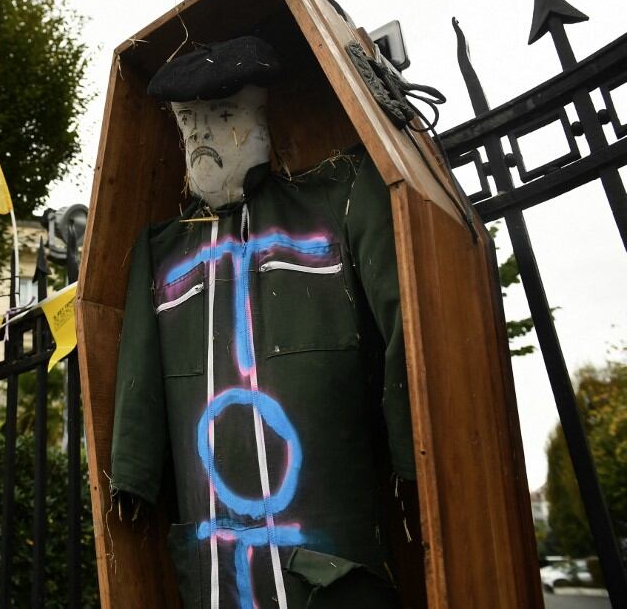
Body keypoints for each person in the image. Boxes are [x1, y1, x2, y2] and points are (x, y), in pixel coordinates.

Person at [110, 36, 414, 608]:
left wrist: (415, 454)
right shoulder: (160, 250)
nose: (199, 136)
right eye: (187, 123)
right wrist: (132, 472)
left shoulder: (338, 199)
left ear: (260, 117)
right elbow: (138, 381)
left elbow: (408, 326)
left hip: (330, 548)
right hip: (216, 558)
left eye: (221, 115)